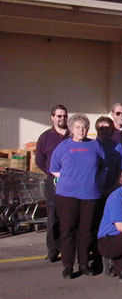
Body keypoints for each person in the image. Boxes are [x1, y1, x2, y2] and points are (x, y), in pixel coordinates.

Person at [50, 113, 105, 279]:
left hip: (90, 195)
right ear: (71, 129)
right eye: (77, 127)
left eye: (84, 127)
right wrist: (71, 179)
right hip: (67, 195)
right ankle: (67, 265)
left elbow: (104, 167)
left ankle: (83, 263)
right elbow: (54, 169)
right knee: (67, 230)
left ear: (88, 129)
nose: (81, 130)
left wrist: (95, 182)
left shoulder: (95, 145)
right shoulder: (63, 147)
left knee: (86, 231)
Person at [35, 104, 69, 263]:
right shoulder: (46, 137)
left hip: (72, 181)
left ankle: (69, 248)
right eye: (59, 116)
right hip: (53, 182)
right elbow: (40, 160)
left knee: (70, 215)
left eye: (64, 116)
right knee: (53, 216)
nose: (62, 119)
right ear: (52, 118)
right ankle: (53, 250)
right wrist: (52, 172)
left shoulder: (72, 134)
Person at [95, 116, 122, 198]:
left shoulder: (118, 146)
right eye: (101, 128)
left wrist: (114, 187)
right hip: (95, 189)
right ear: (97, 130)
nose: (104, 131)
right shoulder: (93, 146)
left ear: (111, 130)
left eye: (107, 128)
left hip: (114, 188)